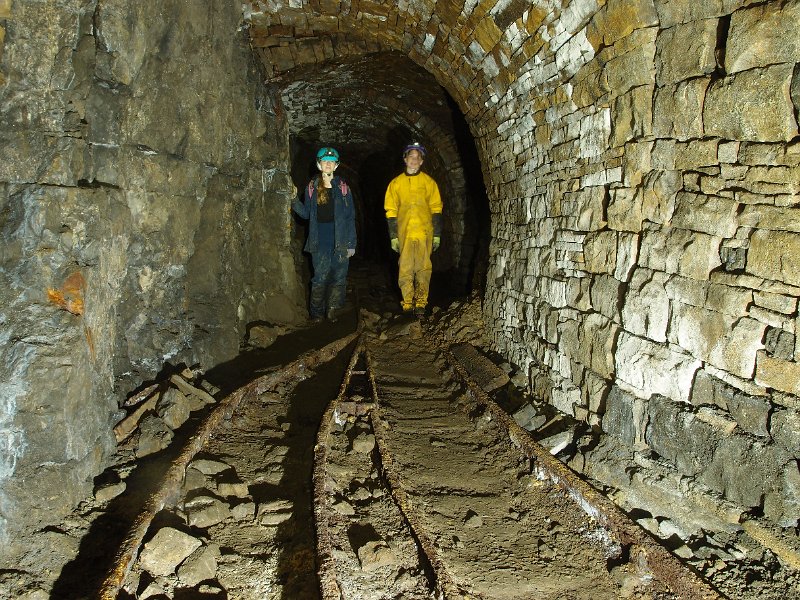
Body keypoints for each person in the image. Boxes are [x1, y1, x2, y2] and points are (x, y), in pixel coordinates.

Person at [292, 147, 356, 322]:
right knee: (319, 278)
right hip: (319, 240)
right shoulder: (312, 187)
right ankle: (317, 313)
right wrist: (294, 200)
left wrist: (352, 244)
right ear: (319, 165)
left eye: (331, 161)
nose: (328, 164)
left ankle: (333, 310)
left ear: (336, 166)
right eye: (324, 161)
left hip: (341, 240)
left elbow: (350, 217)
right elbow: (305, 214)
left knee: (339, 277)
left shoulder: (343, 188)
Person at [384, 141, 443, 317]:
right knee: (405, 268)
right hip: (405, 233)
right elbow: (391, 210)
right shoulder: (395, 184)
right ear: (405, 158)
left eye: (418, 157)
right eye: (411, 156)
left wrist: (437, 234)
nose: (414, 160)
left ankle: (421, 304)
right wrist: (393, 235)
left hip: (425, 233)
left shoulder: (429, 183)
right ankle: (408, 304)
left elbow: (436, 208)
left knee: (424, 268)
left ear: (422, 161)